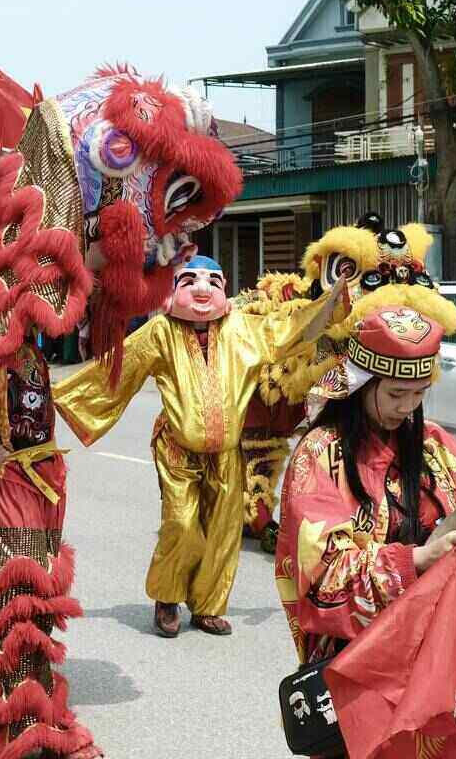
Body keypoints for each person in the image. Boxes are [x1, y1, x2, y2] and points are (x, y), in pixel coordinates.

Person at [279, 294, 456, 758]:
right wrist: (420, 560)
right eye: (396, 394)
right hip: (367, 658)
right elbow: (320, 574)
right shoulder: (320, 454)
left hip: (440, 652)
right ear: (361, 384)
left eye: (419, 393)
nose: (409, 406)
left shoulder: (437, 447)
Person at [55, 256, 342, 638]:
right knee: (182, 524)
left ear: (225, 289)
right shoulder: (161, 332)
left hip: (226, 453)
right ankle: (167, 598)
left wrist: (335, 297)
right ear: (174, 291)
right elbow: (119, 371)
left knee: (223, 533)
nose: (203, 289)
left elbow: (292, 328)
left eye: (212, 282)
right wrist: (59, 397)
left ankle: (207, 606)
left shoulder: (243, 328)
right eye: (190, 280)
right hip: (177, 449)